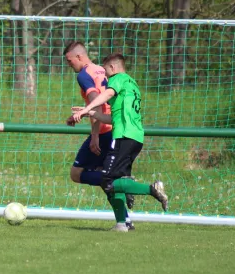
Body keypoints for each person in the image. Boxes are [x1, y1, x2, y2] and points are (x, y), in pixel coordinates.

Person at [72, 53, 168, 232]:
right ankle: (123, 224)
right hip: (135, 137)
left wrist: (88, 107)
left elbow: (107, 94)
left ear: (113, 68)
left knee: (108, 180)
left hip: (123, 137)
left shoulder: (118, 79)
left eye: (107, 72)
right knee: (113, 179)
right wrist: (91, 114)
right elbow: (112, 118)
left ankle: (150, 189)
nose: (106, 77)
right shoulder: (132, 84)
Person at [63, 42, 135, 230]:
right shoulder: (101, 70)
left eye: (69, 61)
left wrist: (95, 134)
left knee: (77, 174)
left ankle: (123, 183)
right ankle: (124, 222)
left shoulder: (84, 74)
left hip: (103, 130)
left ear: (79, 57)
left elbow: (96, 102)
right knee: (106, 177)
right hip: (116, 127)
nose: (69, 65)